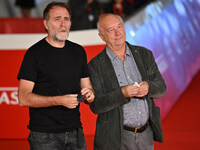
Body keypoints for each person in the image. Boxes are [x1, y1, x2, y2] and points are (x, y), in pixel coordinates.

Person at [17, 2, 95, 150]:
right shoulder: (34, 54)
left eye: (66, 19)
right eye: (57, 19)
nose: (63, 24)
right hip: (44, 136)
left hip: (76, 132)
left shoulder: (79, 51)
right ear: (46, 24)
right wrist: (59, 100)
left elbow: (87, 86)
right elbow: (23, 98)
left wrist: (90, 94)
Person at [88, 13, 166, 150]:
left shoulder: (144, 54)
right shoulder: (95, 65)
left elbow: (161, 88)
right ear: (102, 36)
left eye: (119, 27)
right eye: (111, 30)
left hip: (146, 134)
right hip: (115, 138)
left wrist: (149, 87)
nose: (118, 33)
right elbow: (96, 105)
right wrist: (122, 93)